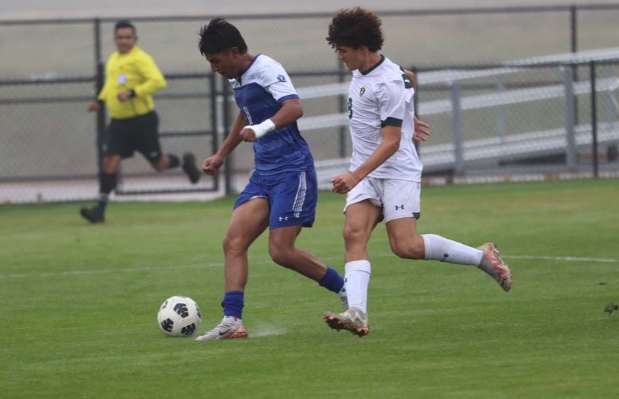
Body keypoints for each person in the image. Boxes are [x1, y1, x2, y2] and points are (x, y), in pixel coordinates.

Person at [322, 8, 513, 337]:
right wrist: (406, 116)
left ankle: (482, 257)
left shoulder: (387, 82)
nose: (340, 56)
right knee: (353, 233)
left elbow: (391, 142)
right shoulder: (371, 70)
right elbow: (409, 76)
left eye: (343, 50)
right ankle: (357, 313)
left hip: (397, 171)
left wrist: (355, 175)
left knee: (405, 246)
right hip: (368, 172)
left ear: (362, 48)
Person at [194, 18, 347, 341]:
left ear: (235, 52)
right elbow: (246, 113)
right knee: (233, 241)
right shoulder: (238, 77)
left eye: (216, 61)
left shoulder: (266, 68)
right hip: (264, 173)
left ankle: (348, 290)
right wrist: (221, 154)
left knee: (281, 251)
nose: (214, 68)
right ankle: (232, 321)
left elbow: (294, 107)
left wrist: (262, 128)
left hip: (292, 170)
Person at [80, 20, 200, 224]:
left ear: (135, 39)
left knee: (159, 164)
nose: (124, 41)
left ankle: (184, 162)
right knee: (110, 161)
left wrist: (133, 92)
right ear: (115, 39)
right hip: (118, 123)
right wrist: (99, 101)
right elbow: (110, 85)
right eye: (120, 37)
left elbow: (158, 81)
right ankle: (99, 210)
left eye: (128, 37)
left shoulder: (141, 59)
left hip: (142, 122)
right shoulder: (113, 59)